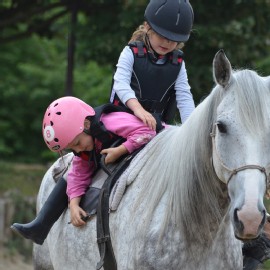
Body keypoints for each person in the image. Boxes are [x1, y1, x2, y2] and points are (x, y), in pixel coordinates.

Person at [11, 96, 156, 244]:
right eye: (72, 148)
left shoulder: (111, 121)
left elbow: (148, 130)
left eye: (77, 143)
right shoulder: (84, 146)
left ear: (86, 124)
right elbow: (77, 175)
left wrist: (120, 150)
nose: (78, 150)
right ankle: (41, 226)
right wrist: (73, 204)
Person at [110, 0, 195, 129]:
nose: (167, 43)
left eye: (173, 40)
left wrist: (192, 128)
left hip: (155, 125)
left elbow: (184, 96)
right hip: (123, 120)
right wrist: (139, 110)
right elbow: (120, 84)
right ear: (147, 27)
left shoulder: (178, 63)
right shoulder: (130, 52)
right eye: (162, 36)